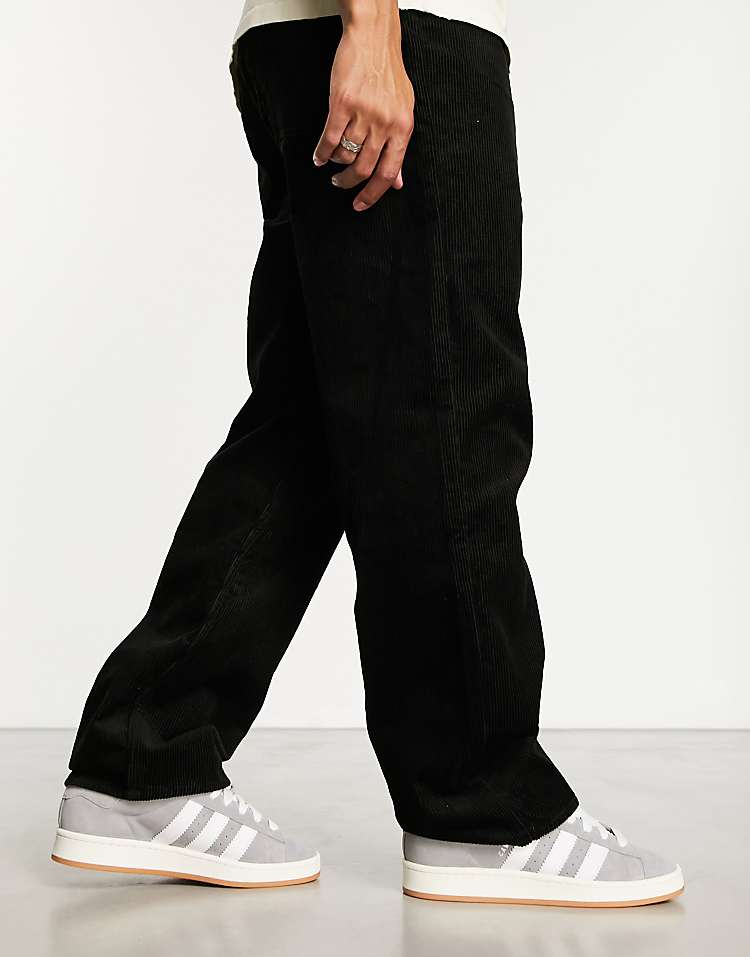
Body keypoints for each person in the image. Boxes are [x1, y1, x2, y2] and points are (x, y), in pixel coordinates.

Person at [51, 0, 683, 906]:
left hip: (304, 36)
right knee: (444, 407)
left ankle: (144, 754)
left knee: (309, 429)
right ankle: (480, 802)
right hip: (396, 35)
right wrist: (376, 27)